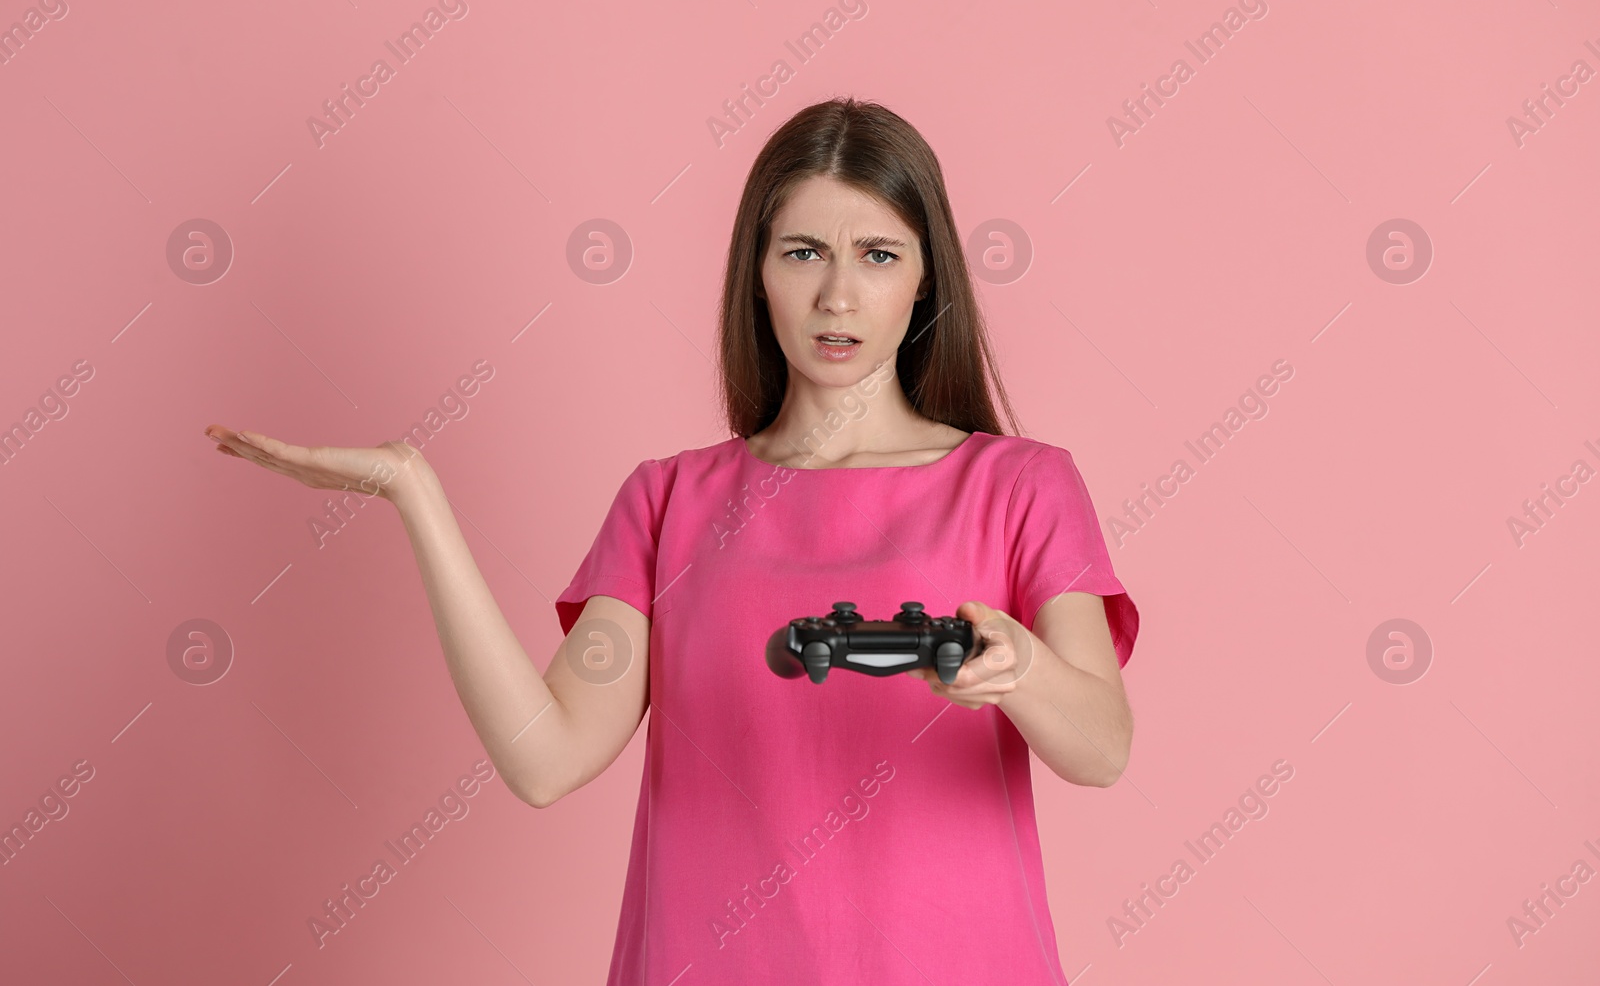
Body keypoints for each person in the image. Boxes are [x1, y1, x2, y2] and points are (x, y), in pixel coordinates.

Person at [204, 96, 1139, 984]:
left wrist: (1021, 668)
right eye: (804, 251)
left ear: (927, 271)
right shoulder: (670, 503)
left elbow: (1101, 746)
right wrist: (414, 491)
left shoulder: (1021, 486)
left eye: (880, 254)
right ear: (757, 269)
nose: (839, 294)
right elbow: (545, 755)